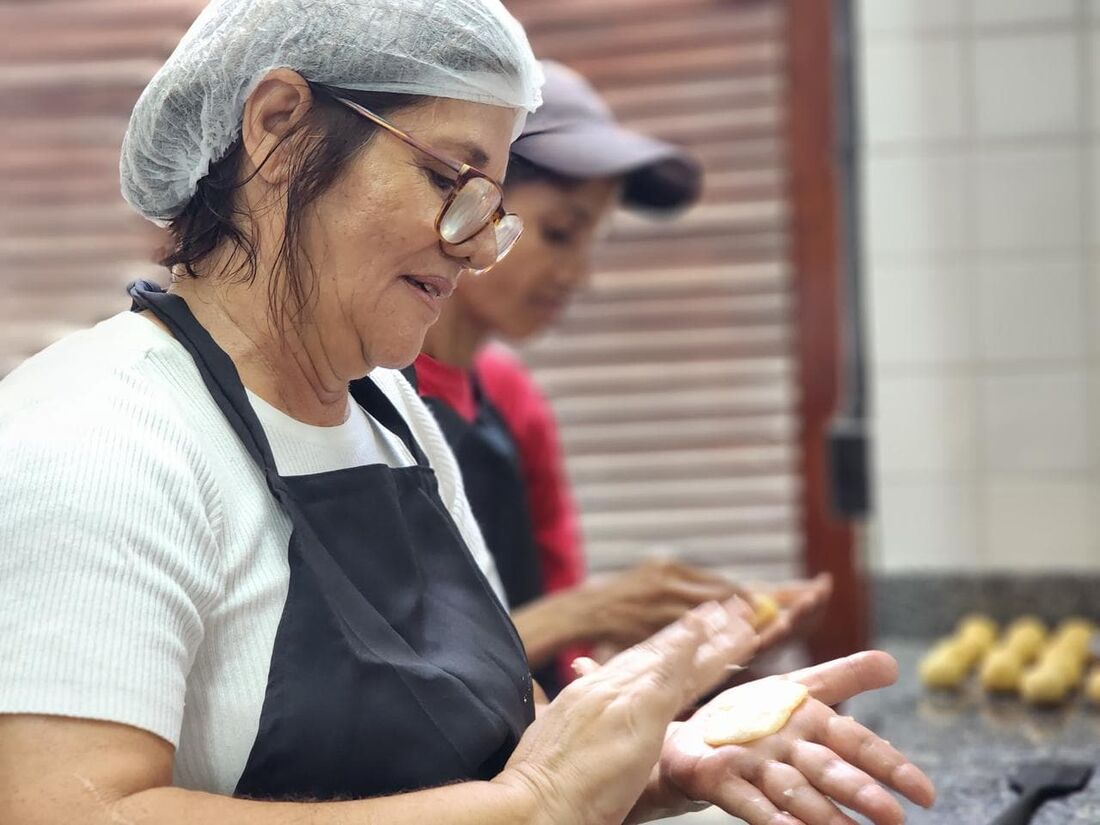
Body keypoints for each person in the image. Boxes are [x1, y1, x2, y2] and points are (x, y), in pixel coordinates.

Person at [0, 3, 933, 824]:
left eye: (494, 203)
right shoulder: (93, 438)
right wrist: (539, 807)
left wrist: (649, 764)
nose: (481, 246)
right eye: (454, 179)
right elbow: (66, 811)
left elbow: (502, 751)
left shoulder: (394, 417)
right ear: (279, 129)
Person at [413, 61, 831, 692]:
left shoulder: (508, 397)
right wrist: (592, 608)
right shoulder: (356, 392)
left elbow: (562, 658)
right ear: (469, 198)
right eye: (559, 233)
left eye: (592, 243)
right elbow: (386, 675)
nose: (578, 277)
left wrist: (693, 645)